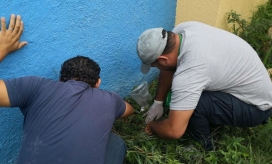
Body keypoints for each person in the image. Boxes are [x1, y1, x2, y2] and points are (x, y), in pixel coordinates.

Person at [0, 14, 134, 164]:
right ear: (98, 83)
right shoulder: (110, 99)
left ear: (61, 79)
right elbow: (129, 110)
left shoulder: (35, 86)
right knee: (115, 143)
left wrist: (2, 48)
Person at [136, 21, 272, 151]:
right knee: (188, 97)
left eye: (155, 65)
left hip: (256, 108)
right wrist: (158, 102)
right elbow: (168, 68)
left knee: (197, 104)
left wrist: (152, 126)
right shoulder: (182, 31)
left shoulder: (190, 73)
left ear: (162, 59)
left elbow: (174, 130)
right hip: (256, 89)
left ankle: (202, 146)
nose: (157, 68)